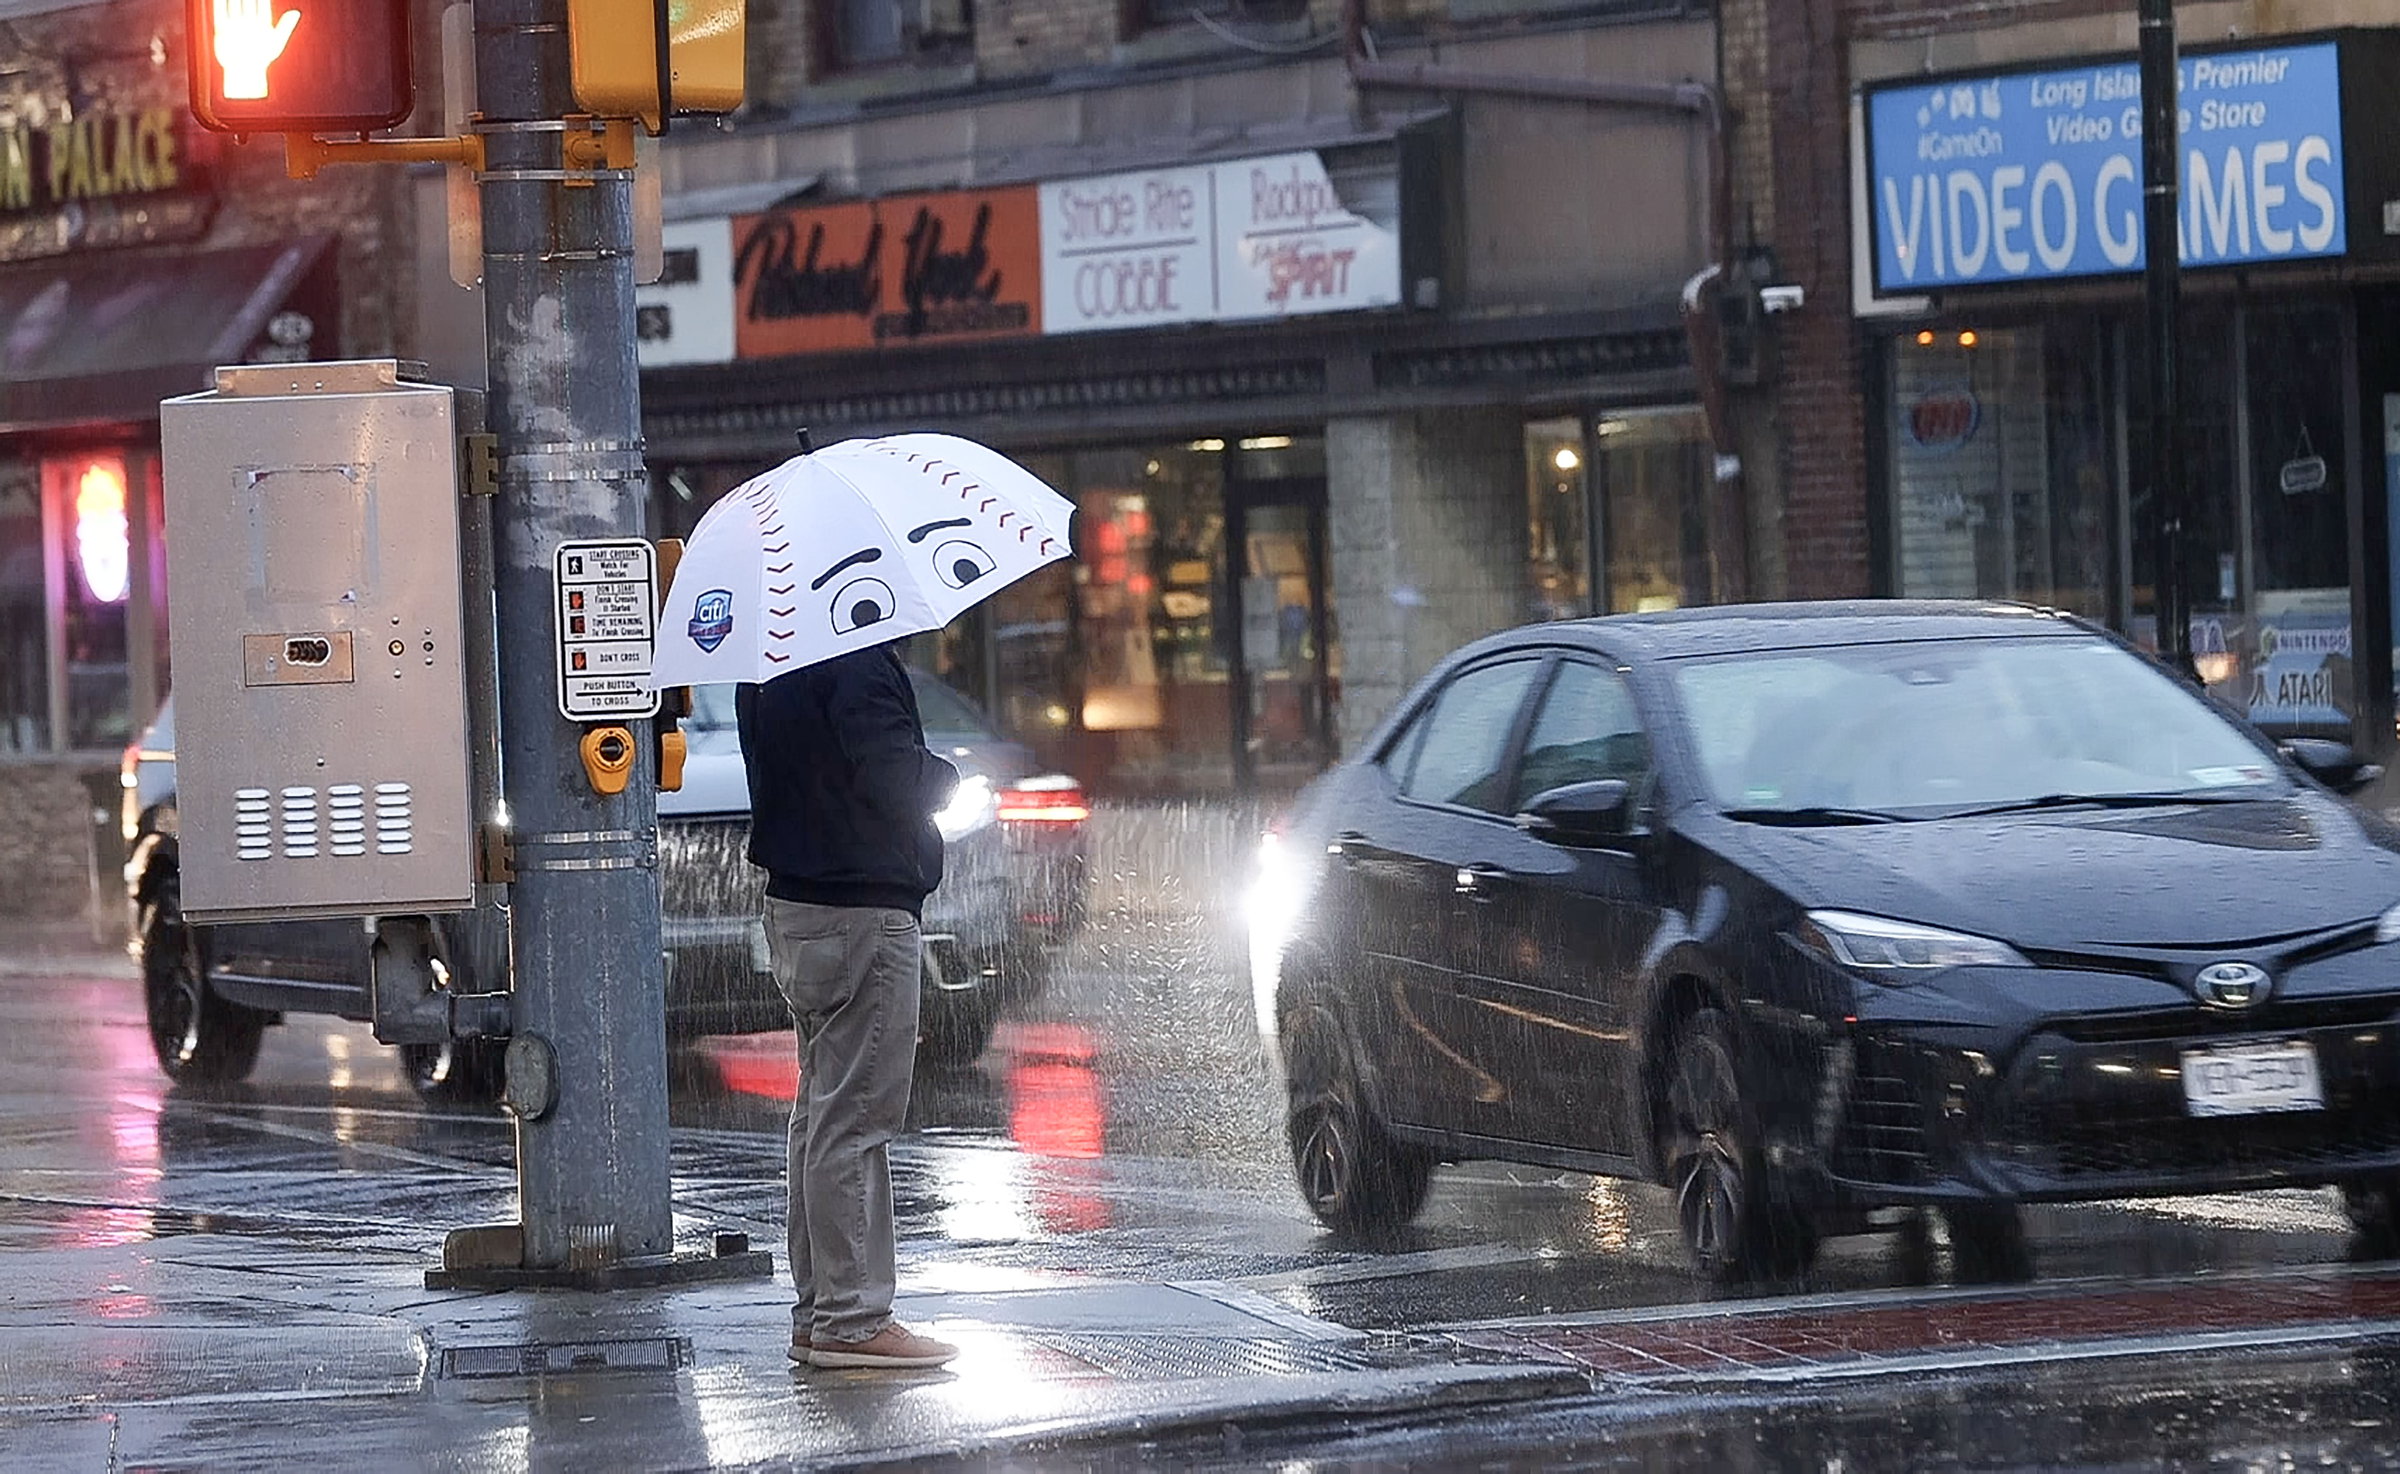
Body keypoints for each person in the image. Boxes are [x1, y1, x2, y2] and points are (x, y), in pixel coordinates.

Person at [737, 639, 961, 1370]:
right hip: (863, 911)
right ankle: (853, 1318)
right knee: (855, 1116)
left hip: (799, 910)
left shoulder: (767, 660)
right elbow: (894, 776)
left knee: (820, 1113)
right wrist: (945, 775)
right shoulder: (856, 659)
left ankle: (819, 1309)